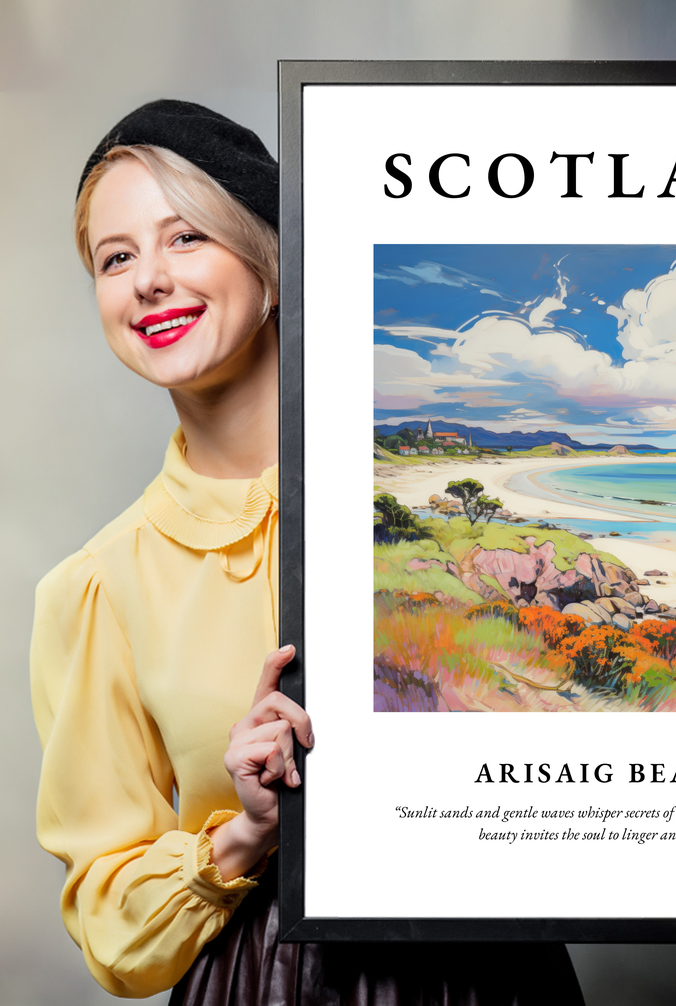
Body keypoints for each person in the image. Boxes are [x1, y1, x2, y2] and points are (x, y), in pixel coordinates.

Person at [30, 100, 586, 1004]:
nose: (148, 281)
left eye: (185, 238)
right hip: (263, 981)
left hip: (494, 973)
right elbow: (110, 923)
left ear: (273, 263)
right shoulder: (97, 587)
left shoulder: (416, 513)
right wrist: (245, 832)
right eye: (116, 257)